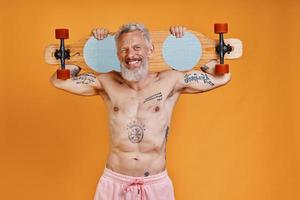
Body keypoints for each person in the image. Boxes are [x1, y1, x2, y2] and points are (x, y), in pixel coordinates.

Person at [50, 23, 231, 200]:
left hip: (155, 184)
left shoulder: (170, 80)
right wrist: (84, 53)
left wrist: (189, 44)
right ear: (117, 55)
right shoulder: (106, 82)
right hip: (114, 183)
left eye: (137, 47)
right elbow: (59, 81)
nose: (130, 55)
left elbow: (221, 77)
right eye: (124, 49)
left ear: (150, 50)